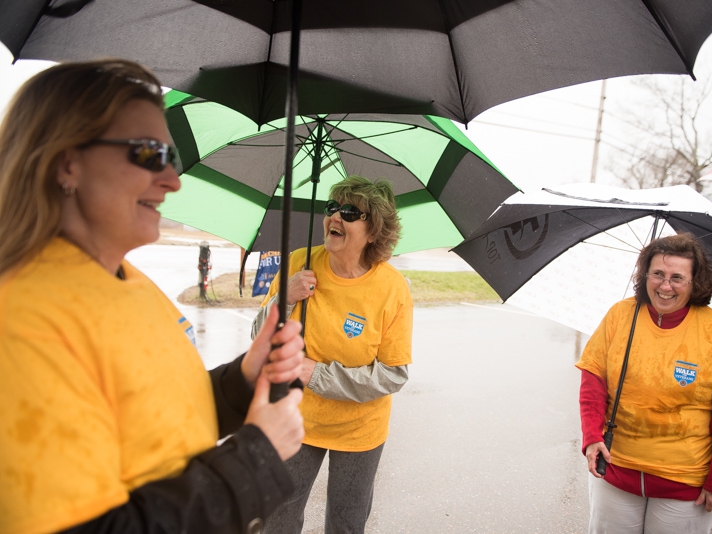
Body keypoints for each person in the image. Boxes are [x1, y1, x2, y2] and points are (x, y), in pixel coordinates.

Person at [0, 59, 307, 534]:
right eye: (148, 154)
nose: (172, 180)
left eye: (172, 158)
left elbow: (150, 414)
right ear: (68, 162)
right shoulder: (22, 319)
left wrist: (242, 379)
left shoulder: (127, 278)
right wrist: (256, 458)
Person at [251, 176, 413, 533]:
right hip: (296, 420)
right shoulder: (299, 262)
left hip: (360, 431)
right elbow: (259, 337)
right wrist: (286, 299)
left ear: (374, 230)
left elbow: (392, 374)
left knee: (346, 524)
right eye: (332, 207)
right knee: (278, 519)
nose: (335, 217)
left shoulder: (392, 289)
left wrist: (317, 374)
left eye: (351, 212)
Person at [577, 233, 712, 533]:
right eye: (658, 274)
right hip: (616, 470)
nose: (665, 286)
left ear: (695, 282)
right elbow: (593, 379)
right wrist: (591, 436)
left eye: (677, 277)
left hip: (684, 483)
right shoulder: (620, 315)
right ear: (645, 275)